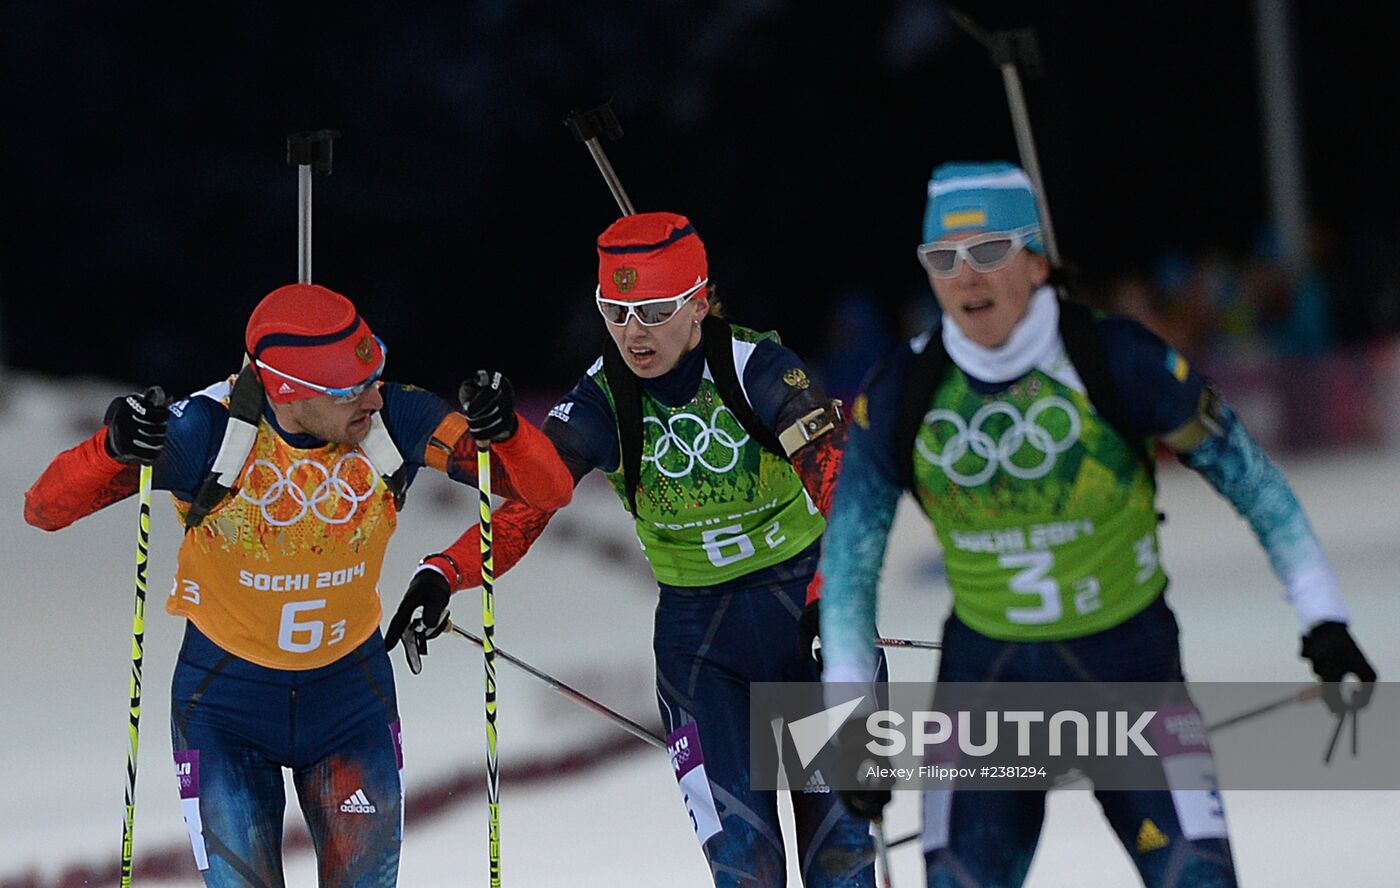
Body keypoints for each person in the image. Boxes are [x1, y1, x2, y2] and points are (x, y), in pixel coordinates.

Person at [815, 162, 1378, 888]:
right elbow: (851, 567)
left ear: (1036, 262)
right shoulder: (901, 393)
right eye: (942, 259)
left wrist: (1324, 618)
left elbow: (1257, 488)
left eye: (988, 251)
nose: (966, 277)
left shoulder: (1119, 359)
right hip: (990, 689)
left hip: (1133, 677)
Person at [24, 282, 573, 887]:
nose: (370, 398)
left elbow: (548, 492)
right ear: (287, 393)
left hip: (349, 703)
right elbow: (45, 508)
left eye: (373, 374)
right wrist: (113, 447)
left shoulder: (397, 418)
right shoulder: (206, 436)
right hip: (226, 710)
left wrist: (509, 434)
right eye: (348, 390)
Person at [387, 212, 878, 887]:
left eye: (652, 310)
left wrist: (834, 597)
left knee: (843, 859)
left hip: (809, 616)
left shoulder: (755, 366)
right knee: (745, 866)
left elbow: (839, 483)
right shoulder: (604, 397)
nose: (632, 331)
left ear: (700, 305)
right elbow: (540, 495)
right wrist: (446, 567)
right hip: (702, 646)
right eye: (614, 311)